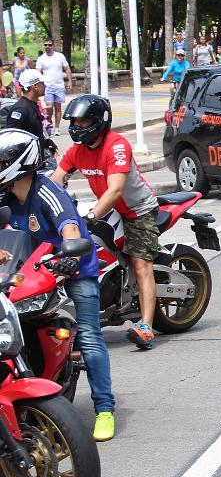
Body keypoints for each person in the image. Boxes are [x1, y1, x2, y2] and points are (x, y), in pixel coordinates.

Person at [0, 130, 117, 441]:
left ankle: (104, 409)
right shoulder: (7, 196)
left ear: (19, 163)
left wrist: (70, 254)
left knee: (90, 337)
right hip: (33, 273)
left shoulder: (46, 190)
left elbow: (67, 225)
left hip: (75, 265)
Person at [54, 94, 163, 348]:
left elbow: (114, 191)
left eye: (82, 122)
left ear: (98, 122)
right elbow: (54, 182)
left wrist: (92, 215)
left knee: (141, 264)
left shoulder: (116, 146)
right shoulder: (77, 151)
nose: (76, 127)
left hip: (137, 211)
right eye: (74, 122)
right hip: (108, 209)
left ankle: (146, 326)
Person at [4, 69, 53, 150]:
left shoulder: (32, 105)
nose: (45, 85)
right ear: (35, 86)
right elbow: (11, 141)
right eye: (42, 83)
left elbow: (32, 132)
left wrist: (45, 142)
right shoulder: (20, 109)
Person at [36, 38, 72, 129]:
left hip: (59, 86)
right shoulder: (41, 59)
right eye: (46, 45)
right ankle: (49, 121)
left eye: (49, 45)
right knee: (49, 107)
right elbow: (37, 72)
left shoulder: (60, 56)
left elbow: (67, 68)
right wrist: (38, 85)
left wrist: (70, 81)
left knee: (58, 107)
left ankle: (57, 128)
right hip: (47, 86)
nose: (47, 46)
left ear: (53, 46)